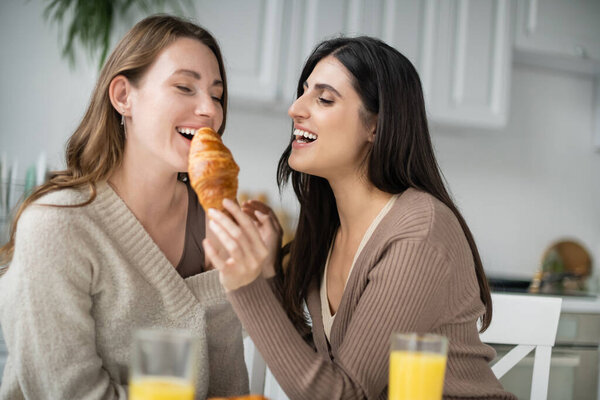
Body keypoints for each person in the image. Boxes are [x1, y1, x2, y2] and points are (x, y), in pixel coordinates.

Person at [203, 36, 517, 399]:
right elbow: (330, 376)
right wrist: (270, 275)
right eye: (303, 92)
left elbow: (345, 395)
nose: (295, 108)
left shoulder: (418, 232)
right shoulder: (329, 230)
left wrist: (245, 286)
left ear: (376, 127)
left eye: (323, 98)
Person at [0, 15, 248, 400]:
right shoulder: (57, 226)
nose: (210, 110)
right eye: (185, 87)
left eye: (216, 95)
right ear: (123, 97)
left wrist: (226, 276)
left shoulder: (212, 222)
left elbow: (229, 389)